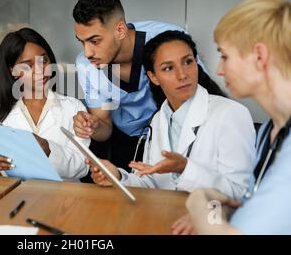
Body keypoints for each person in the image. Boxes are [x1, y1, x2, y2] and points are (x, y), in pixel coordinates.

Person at [88, 30, 256, 200]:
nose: (182, 75)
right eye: (168, 68)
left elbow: (240, 194)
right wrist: (117, 176)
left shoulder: (231, 114)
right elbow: (152, 184)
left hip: (209, 222)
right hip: (166, 219)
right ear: (153, 77)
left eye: (188, 62)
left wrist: (184, 168)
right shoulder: (158, 119)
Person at [179, 0, 291, 234]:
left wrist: (201, 203)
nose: (219, 69)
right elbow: (250, 209)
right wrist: (217, 213)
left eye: (225, 55)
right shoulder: (270, 132)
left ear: (259, 56)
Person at [72, 0, 199, 170]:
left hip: (177, 134)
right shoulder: (85, 64)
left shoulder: (169, 39)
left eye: (95, 41)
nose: (87, 53)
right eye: (82, 42)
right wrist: (92, 126)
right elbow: (104, 127)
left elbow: (201, 98)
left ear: (120, 30)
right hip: (127, 142)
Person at [0, 28, 89, 181]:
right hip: (14, 198)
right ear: (13, 71)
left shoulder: (74, 109)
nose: (41, 71)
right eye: (28, 66)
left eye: (44, 60)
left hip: (64, 200)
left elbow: (83, 166)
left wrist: (48, 149)